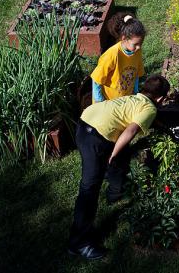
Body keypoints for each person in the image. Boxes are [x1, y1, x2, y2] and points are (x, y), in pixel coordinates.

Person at [68, 75, 171, 260]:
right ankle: (79, 244)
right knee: (89, 187)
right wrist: (113, 154)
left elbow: (134, 117)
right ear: (161, 99)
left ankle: (115, 193)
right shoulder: (149, 108)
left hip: (86, 120)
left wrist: (163, 127)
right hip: (95, 136)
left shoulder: (135, 98)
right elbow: (130, 130)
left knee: (120, 158)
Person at [91, 16, 146, 103]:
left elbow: (136, 74)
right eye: (135, 44)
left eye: (141, 43)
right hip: (108, 101)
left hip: (126, 100)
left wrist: (135, 92)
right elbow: (96, 80)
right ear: (124, 38)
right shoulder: (112, 54)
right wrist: (100, 101)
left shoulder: (137, 52)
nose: (139, 47)